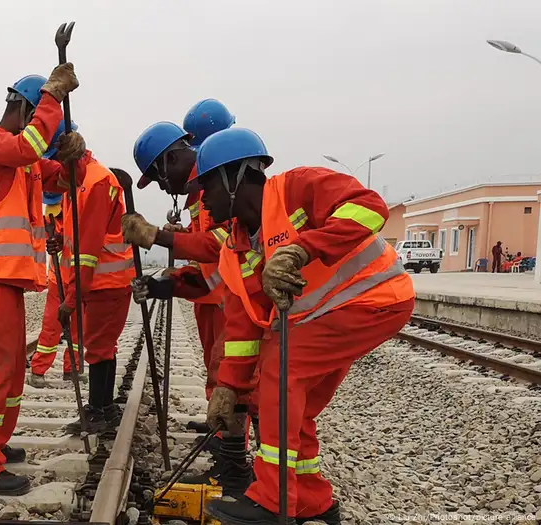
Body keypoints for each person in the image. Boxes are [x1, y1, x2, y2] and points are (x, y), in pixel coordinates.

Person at [174, 128, 415, 525]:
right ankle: (311, 501)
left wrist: (304, 247)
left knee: (280, 374)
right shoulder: (237, 245)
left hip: (373, 296)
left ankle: (272, 500)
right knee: (295, 405)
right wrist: (228, 389)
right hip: (331, 313)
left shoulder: (298, 187)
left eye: (206, 188)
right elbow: (243, 328)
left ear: (233, 178)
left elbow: (370, 207)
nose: (202, 201)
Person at [0, 63, 85, 495]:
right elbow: (29, 147)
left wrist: (75, 155)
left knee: (12, 372)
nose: (46, 141)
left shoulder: (25, 163)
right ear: (26, 109)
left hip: (8, 282)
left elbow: (67, 180)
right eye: (45, 126)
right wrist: (53, 96)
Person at [126, 113, 254, 496]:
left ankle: (235, 469)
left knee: (236, 376)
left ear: (170, 159)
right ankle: (229, 449)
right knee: (224, 374)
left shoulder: (212, 184)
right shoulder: (204, 190)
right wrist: (172, 283)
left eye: (159, 176)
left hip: (234, 298)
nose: (165, 187)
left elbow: (217, 243)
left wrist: (160, 237)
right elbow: (214, 255)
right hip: (221, 292)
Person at [49, 154, 136, 433]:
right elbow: (80, 236)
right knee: (104, 347)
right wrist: (60, 241)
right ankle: (106, 407)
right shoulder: (80, 183)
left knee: (98, 349)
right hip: (104, 281)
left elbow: (87, 251)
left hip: (107, 281)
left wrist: (71, 299)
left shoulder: (96, 183)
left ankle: (97, 412)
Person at [28, 191, 76, 386]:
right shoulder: (51, 213)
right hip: (59, 279)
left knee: (78, 327)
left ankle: (73, 369)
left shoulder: (79, 208)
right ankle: (38, 371)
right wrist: (54, 238)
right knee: (52, 326)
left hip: (77, 277)